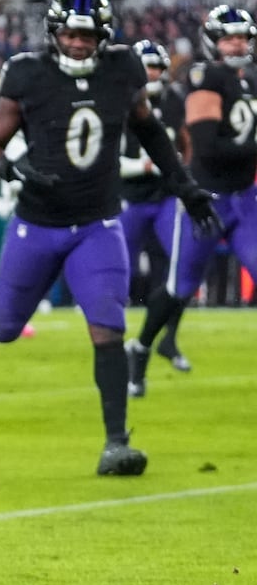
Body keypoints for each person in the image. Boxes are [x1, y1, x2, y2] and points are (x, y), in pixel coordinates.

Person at [0, 0, 219, 476]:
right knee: (7, 330)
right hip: (37, 222)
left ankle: (116, 443)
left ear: (103, 36)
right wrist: (8, 169)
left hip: (98, 223)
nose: (78, 43)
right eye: (71, 34)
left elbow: (150, 130)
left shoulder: (122, 70)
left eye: (87, 35)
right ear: (55, 32)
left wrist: (185, 187)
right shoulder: (27, 74)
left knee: (107, 327)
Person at [126, 6, 257, 396]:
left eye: (242, 37)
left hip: (245, 199)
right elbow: (207, 146)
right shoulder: (205, 77)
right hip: (208, 200)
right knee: (179, 286)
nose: (237, 44)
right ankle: (143, 346)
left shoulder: (247, 80)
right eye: (229, 37)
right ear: (213, 42)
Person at [116, 40, 189, 374]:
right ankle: (110, 339)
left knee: (183, 263)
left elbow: (187, 143)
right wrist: (144, 166)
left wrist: (182, 170)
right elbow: (107, 159)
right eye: (147, 68)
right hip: (128, 197)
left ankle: (168, 337)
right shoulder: (117, 101)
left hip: (164, 198)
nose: (153, 74)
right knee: (117, 269)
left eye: (157, 68)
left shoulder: (174, 101)